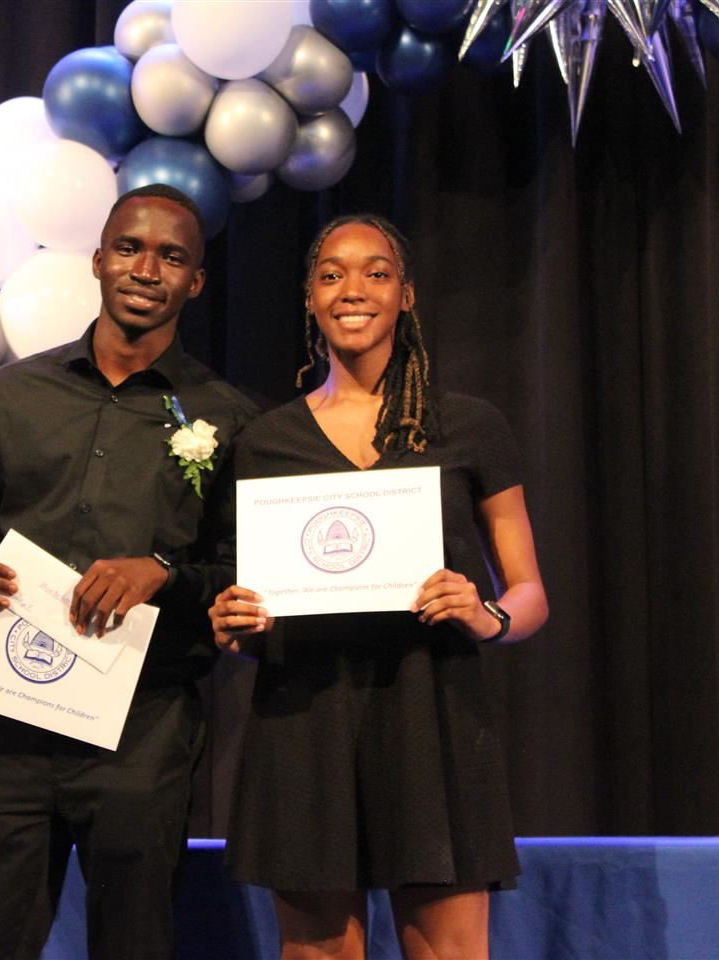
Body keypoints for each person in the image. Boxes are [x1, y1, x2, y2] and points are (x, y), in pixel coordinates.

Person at [0, 184, 259, 960]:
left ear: (196, 282)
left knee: (132, 942)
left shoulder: (227, 415)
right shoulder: (16, 392)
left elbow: (240, 571)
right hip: (5, 719)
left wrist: (165, 572)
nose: (148, 268)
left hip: (142, 725)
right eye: (132, 248)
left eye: (173, 256)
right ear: (101, 259)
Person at [209, 214, 549, 960]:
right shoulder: (265, 442)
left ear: (407, 295)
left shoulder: (469, 427)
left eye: (375, 272)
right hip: (303, 721)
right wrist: (233, 622)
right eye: (331, 274)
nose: (352, 289)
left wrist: (485, 612)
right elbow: (247, 608)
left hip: (433, 720)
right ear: (308, 299)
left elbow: (528, 594)